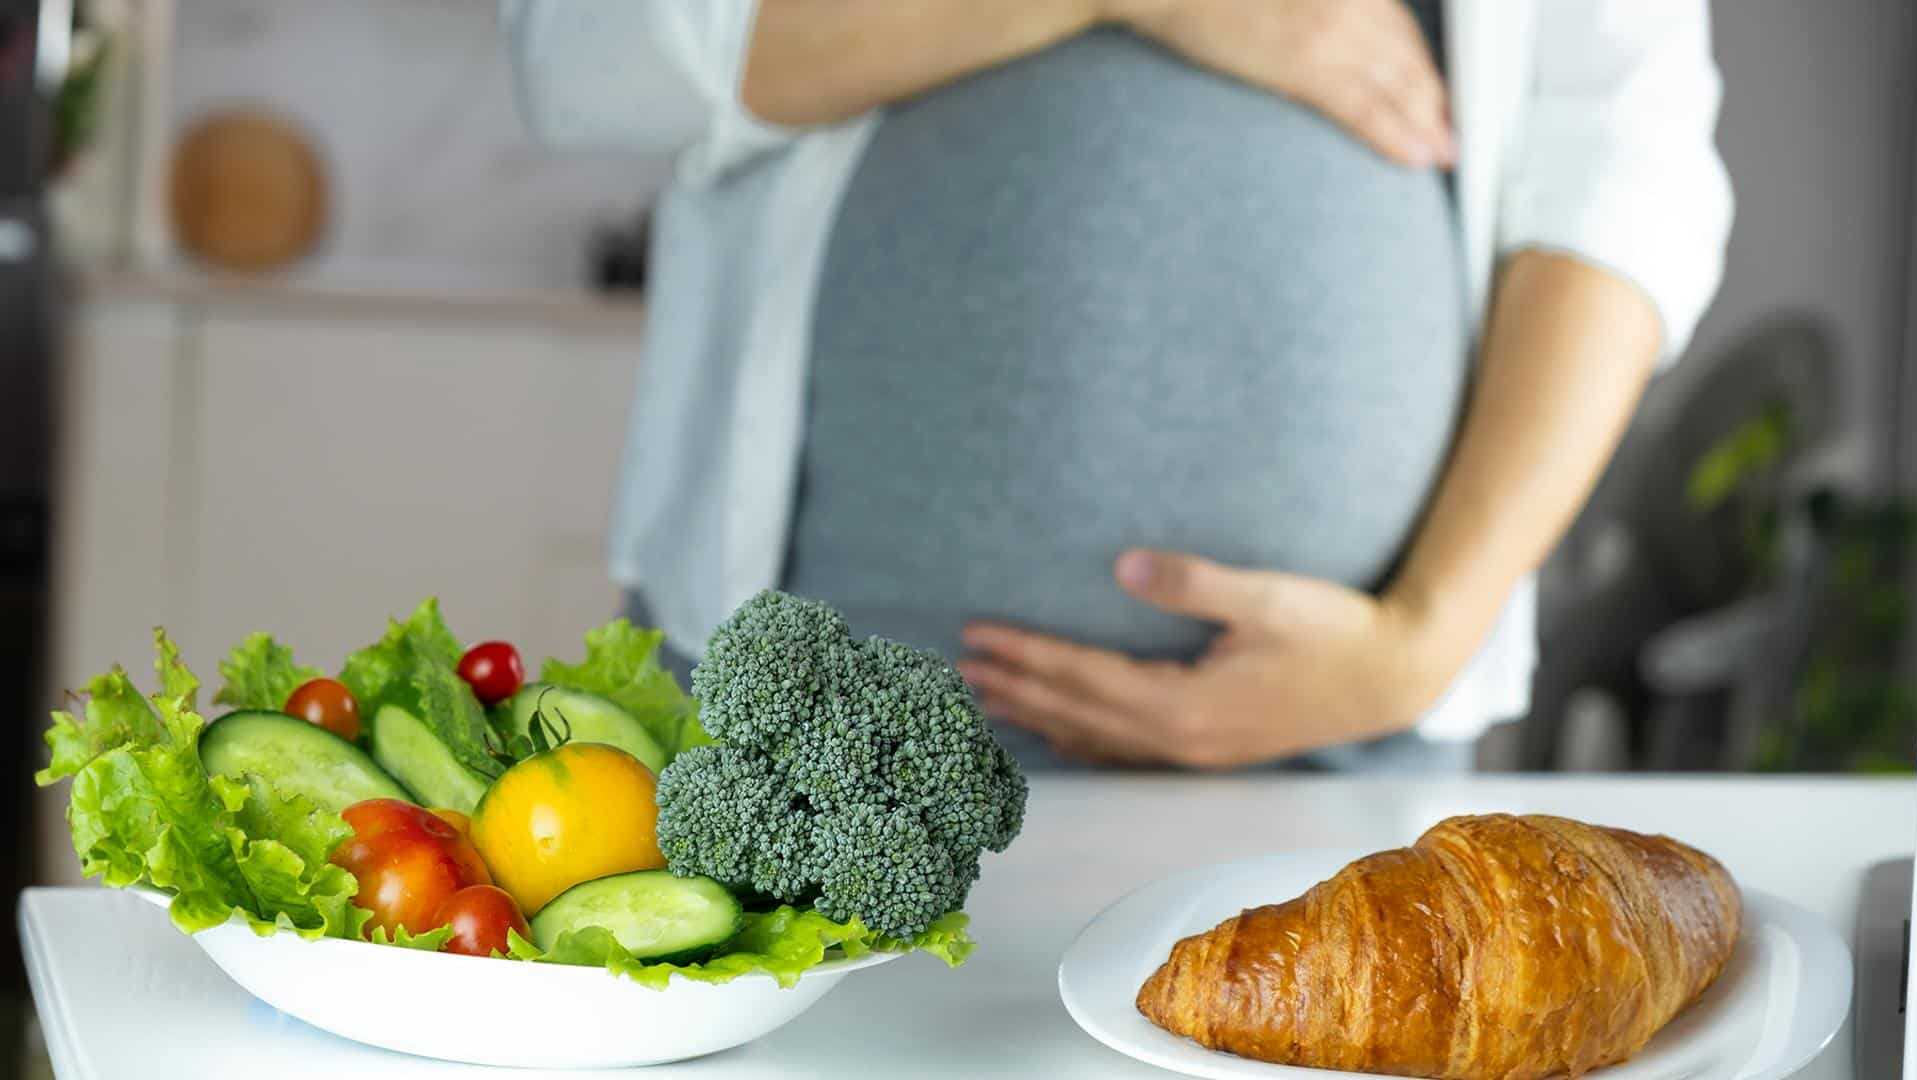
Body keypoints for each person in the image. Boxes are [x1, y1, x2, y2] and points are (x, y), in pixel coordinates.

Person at [500, 0, 1732, 771]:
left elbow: (1628, 160)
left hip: (1339, 726)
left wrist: (1419, 643)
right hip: (820, 715)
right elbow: (585, 49)